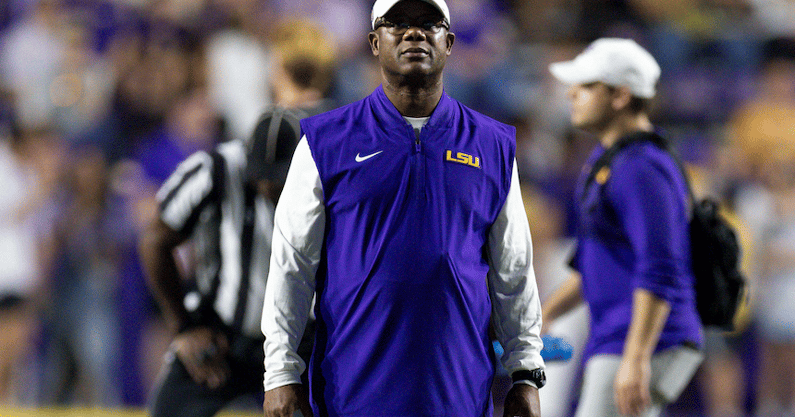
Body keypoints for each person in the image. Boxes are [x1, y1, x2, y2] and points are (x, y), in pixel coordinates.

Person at [260, 0, 545, 416]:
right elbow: (291, 264)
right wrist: (280, 374)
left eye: (429, 23)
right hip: (352, 395)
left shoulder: (493, 145)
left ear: (449, 43)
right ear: (375, 43)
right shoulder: (326, 142)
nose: (415, 33)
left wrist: (526, 373)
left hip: (459, 395)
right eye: (398, 23)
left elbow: (513, 270)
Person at [541, 38, 704, 417]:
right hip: (621, 336)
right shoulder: (611, 158)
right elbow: (599, 262)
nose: (571, 93)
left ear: (620, 96)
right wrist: (547, 313)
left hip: (648, 340)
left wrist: (637, 357)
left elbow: (660, 268)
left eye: (585, 86)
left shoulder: (642, 167)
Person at [139, 106, 304, 417]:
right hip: (223, 336)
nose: (268, 185)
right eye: (261, 174)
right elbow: (154, 242)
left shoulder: (326, 175)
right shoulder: (214, 169)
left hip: (300, 343)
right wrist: (183, 328)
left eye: (277, 177)